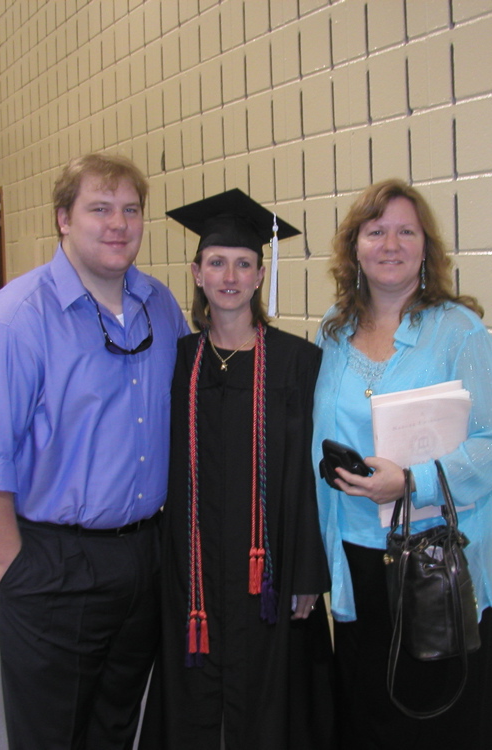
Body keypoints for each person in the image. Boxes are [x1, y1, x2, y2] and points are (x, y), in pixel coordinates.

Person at [0, 153, 189, 750]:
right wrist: (15, 566)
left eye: (130, 210)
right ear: (62, 218)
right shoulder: (17, 319)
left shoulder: (160, 306)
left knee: (115, 723)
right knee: (52, 733)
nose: (118, 224)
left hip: (144, 557)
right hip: (54, 561)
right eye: (99, 208)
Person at [312, 179, 492, 749]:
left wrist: (413, 483)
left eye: (406, 231)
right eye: (376, 231)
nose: (390, 243)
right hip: (356, 553)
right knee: (367, 713)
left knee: (437, 722)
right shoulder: (336, 331)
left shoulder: (457, 331)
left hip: (432, 562)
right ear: (355, 247)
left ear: (427, 247)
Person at [141, 190, 335, 750]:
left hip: (270, 572)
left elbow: (307, 477)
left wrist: (305, 573)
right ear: (196, 273)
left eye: (244, 264)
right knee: (196, 693)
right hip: (194, 567)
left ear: (259, 276)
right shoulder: (177, 362)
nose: (230, 275)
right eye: (217, 263)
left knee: (274, 704)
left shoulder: (299, 363)